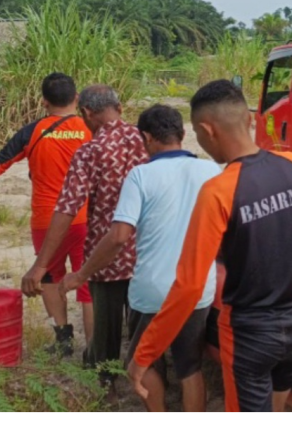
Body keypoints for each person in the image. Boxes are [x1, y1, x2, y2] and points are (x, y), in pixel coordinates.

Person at [129, 80, 292, 414]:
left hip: (251, 332)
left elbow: (188, 287)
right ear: (249, 119)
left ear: (206, 130)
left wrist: (143, 356)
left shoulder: (219, 191)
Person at [59, 105, 221, 413]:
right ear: (183, 135)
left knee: (143, 361)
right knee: (189, 366)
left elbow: (119, 237)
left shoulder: (141, 175)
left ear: (146, 137)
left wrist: (81, 274)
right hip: (198, 287)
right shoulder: (211, 171)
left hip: (152, 291)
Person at [21, 85, 148, 389]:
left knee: (106, 334)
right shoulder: (146, 140)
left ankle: (106, 387)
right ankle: (153, 384)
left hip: (106, 260)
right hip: (146, 254)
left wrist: (41, 265)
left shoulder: (91, 150)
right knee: (144, 331)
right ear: (118, 106)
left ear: (88, 113)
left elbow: (66, 209)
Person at [0, 73, 93, 357]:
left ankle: (63, 338)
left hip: (47, 220)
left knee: (48, 277)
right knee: (88, 281)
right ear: (77, 98)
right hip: (87, 219)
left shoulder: (31, 132)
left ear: (44, 102)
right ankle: (94, 349)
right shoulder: (90, 128)